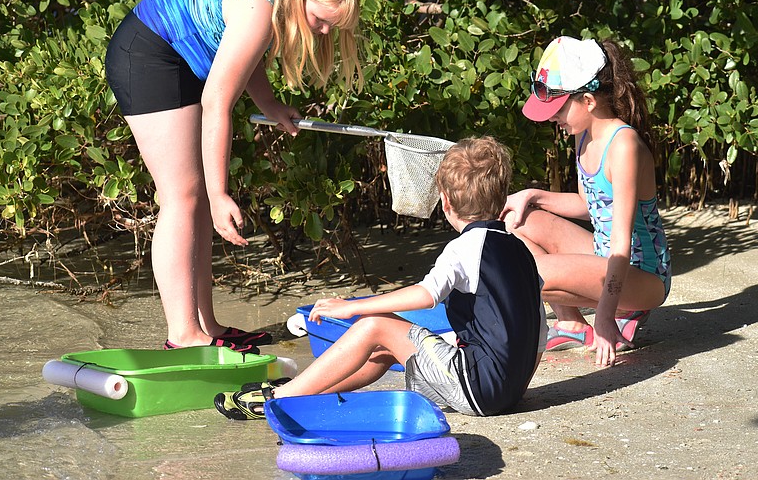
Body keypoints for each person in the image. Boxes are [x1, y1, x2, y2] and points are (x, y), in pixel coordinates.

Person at [104, 0, 363, 352]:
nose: (325, 32)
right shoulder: (258, 8)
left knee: (196, 200)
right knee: (183, 197)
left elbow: (243, 56)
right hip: (148, 56)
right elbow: (217, 104)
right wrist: (219, 192)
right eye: (321, 20)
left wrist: (270, 105)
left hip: (181, 60)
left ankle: (206, 326)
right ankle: (184, 336)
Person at [214, 136, 548, 419]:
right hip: (504, 390)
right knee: (386, 344)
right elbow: (538, 330)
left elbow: (426, 294)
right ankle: (302, 393)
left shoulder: (466, 248)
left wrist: (352, 307)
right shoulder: (520, 251)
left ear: (444, 202)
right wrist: (514, 391)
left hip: (477, 387)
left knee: (375, 325)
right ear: (501, 199)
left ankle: (278, 401)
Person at [500, 36, 671, 367]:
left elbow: (621, 244)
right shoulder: (583, 133)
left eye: (558, 110)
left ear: (589, 100)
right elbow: (587, 203)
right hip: (604, 256)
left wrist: (604, 317)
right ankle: (571, 322)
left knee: (523, 273)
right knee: (514, 223)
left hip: (642, 274)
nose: (553, 119)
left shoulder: (623, 146)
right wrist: (531, 196)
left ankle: (624, 309)